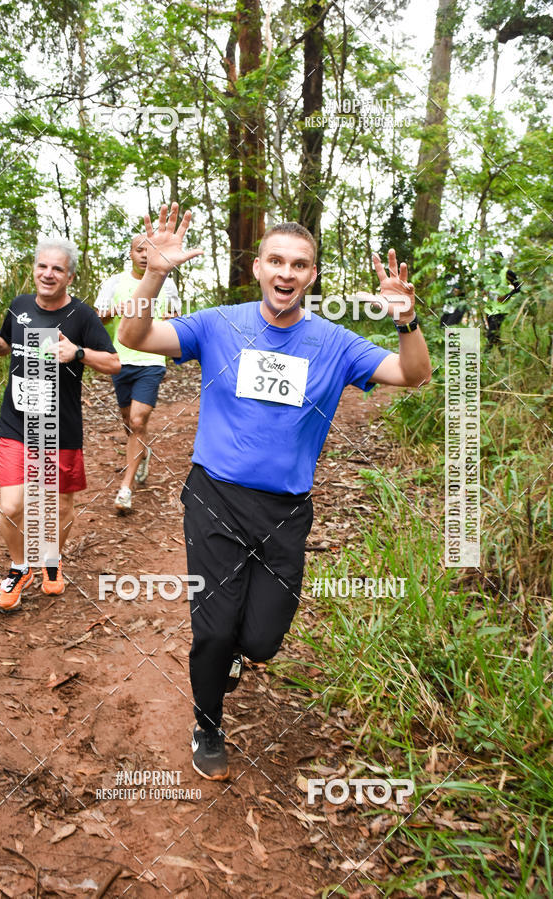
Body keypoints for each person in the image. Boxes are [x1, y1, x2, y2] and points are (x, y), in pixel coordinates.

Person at [119, 203, 432, 781]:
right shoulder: (220, 324)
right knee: (214, 629)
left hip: (285, 511)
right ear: (258, 267)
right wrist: (154, 275)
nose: (287, 272)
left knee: (261, 641)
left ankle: (238, 656)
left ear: (312, 275)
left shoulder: (335, 342)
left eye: (300, 264)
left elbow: (414, 375)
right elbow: (133, 334)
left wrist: (407, 320)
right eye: (277, 261)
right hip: (214, 496)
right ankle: (208, 724)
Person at [0, 238, 120, 612]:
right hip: (16, 422)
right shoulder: (20, 305)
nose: (48, 274)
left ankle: (51, 559)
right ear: (35, 269)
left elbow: (114, 363)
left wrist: (78, 352)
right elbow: (7, 342)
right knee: (12, 505)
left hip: (60, 426)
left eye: (57, 269)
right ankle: (19, 567)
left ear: (69, 277)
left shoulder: (82, 316)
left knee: (60, 504)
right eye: (43, 266)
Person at [95, 233, 181, 513]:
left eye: (150, 250)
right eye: (139, 250)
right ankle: (142, 451)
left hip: (152, 360)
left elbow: (176, 318)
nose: (144, 255)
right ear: (130, 254)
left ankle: (126, 489)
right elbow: (98, 318)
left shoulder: (166, 284)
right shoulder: (114, 282)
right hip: (121, 360)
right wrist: (113, 309)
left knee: (138, 419)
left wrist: (172, 321)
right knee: (128, 421)